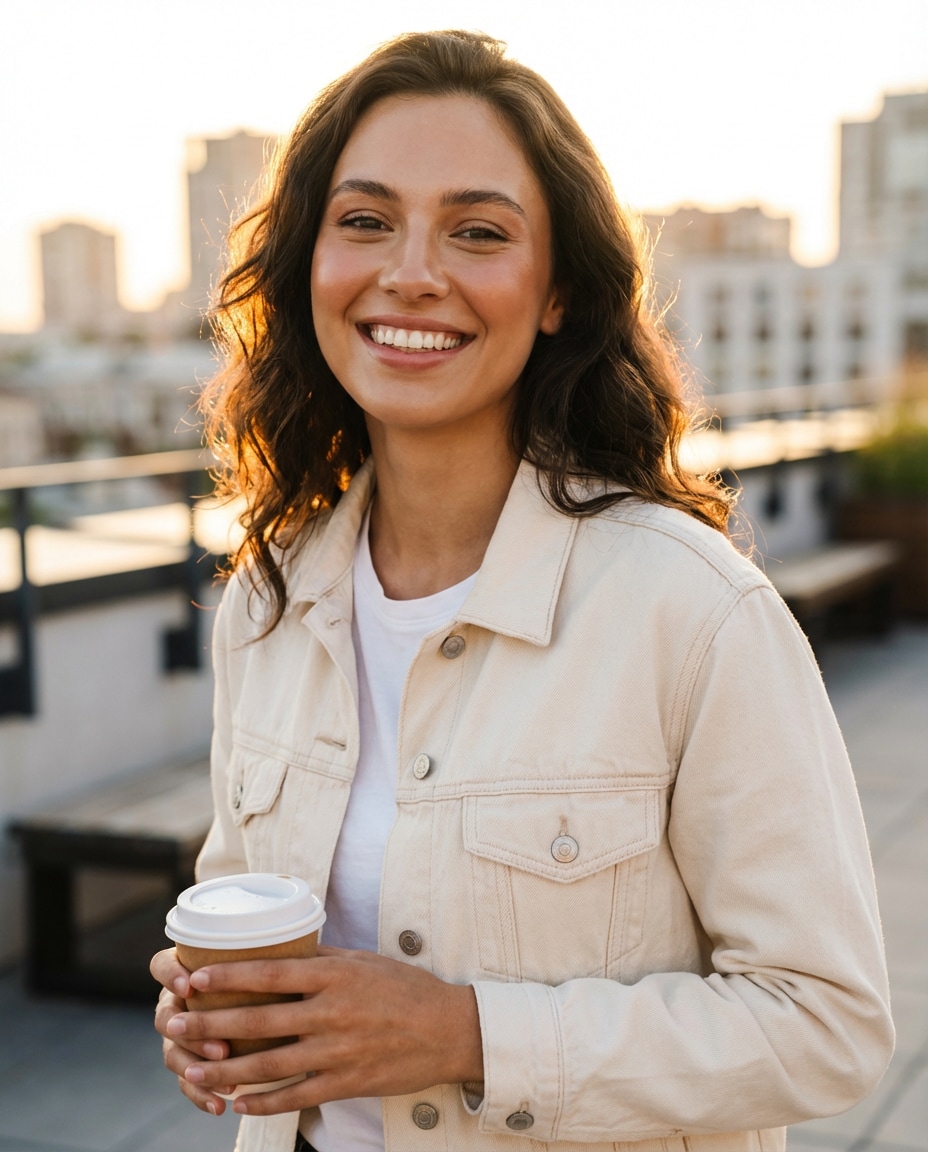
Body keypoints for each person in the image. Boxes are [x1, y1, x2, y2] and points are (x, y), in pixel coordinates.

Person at [151, 29, 893, 1152]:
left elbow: (826, 1026)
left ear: (556, 295)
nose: (410, 271)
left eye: (478, 232)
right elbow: (248, 913)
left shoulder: (690, 611)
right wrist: (205, 1013)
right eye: (363, 221)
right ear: (309, 266)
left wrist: (465, 1035)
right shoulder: (267, 602)